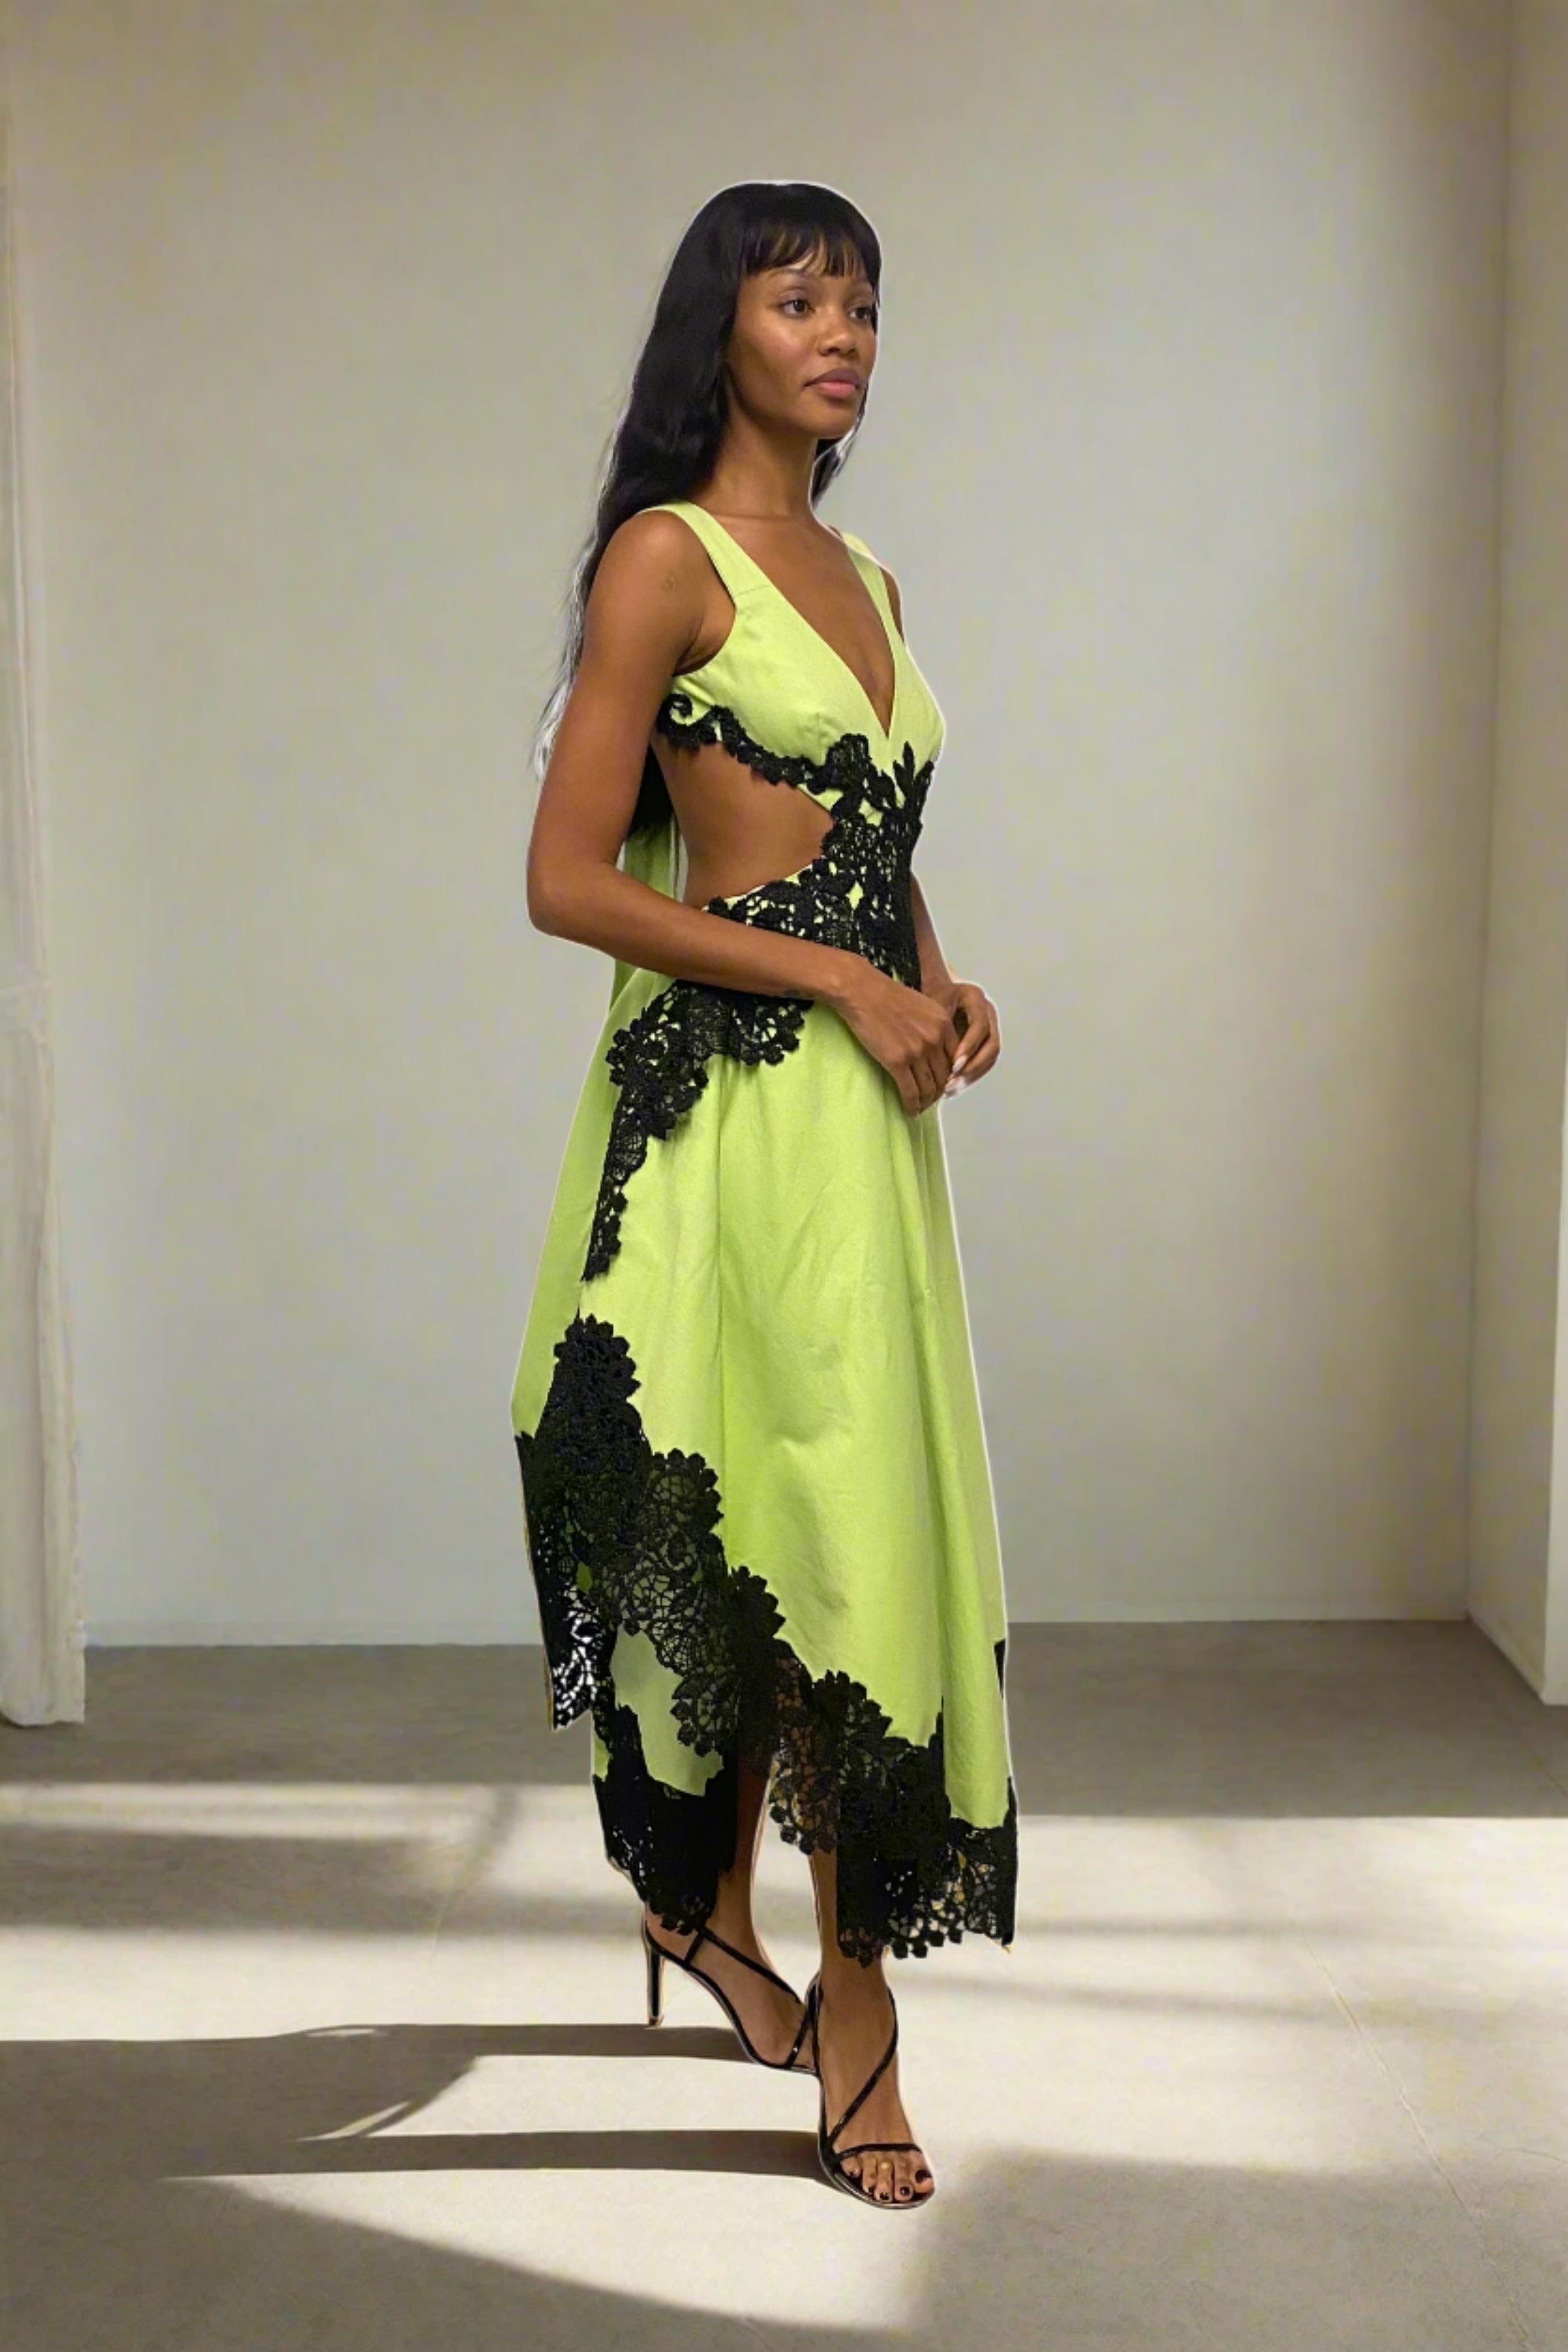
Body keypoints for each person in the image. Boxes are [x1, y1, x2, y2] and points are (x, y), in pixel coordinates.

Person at [511, 181, 1017, 2210]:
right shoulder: (668, 559)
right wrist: (834, 981)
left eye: (865, 305)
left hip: (865, 1141)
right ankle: (827, 2000)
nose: (844, 336)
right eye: (802, 298)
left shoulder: (870, 571)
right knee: (775, 1540)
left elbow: (868, 838)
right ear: (718, 328)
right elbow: (568, 881)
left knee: (841, 1538)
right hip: (724, 1130)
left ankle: (738, 1929)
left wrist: (937, 978)